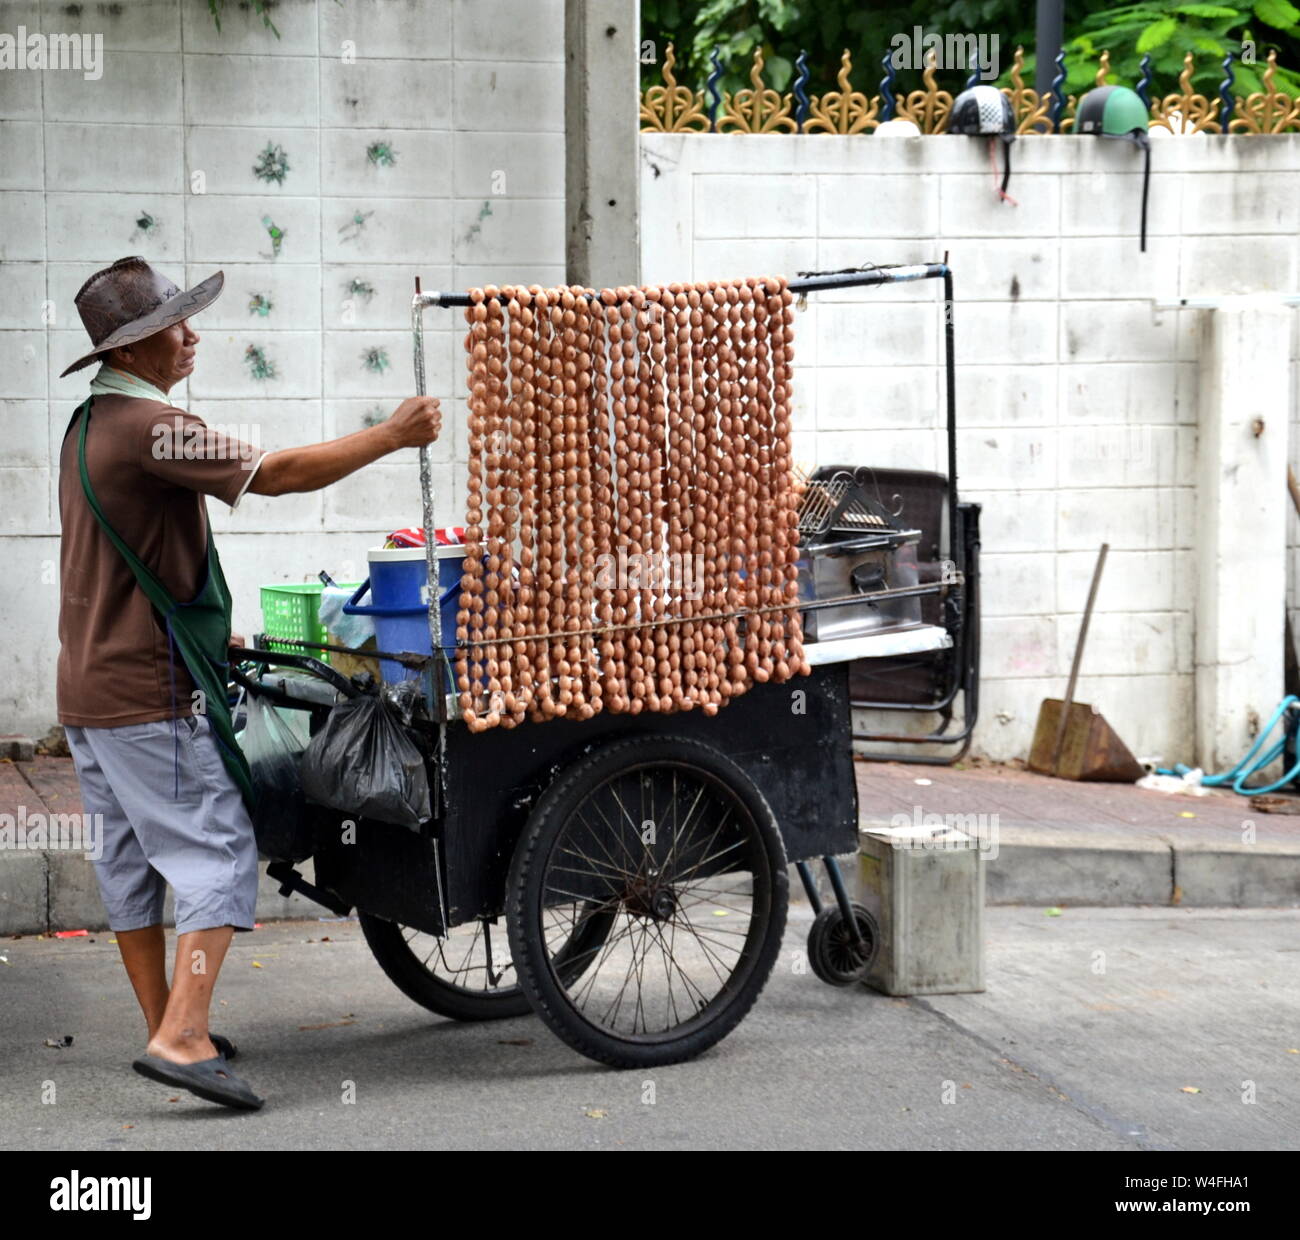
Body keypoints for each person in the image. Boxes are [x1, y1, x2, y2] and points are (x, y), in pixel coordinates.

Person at [55, 256, 441, 1111]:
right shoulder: (153, 427)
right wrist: (391, 434)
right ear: (136, 346)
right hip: (146, 695)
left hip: (88, 688)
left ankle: (165, 1021)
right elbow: (276, 475)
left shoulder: (87, 428)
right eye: (175, 325)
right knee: (218, 851)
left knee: (131, 862)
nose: (192, 334)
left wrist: (201, 629)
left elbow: (123, 563)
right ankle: (184, 1038)